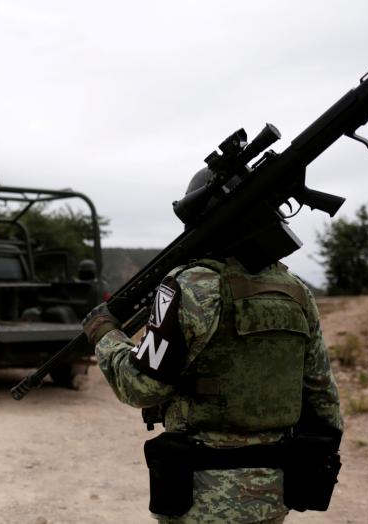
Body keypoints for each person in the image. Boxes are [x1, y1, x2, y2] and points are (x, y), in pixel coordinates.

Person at [82, 173, 343, 524]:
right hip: (273, 492)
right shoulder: (296, 291)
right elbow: (323, 400)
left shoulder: (188, 286)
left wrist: (105, 335)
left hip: (201, 496)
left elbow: (141, 387)